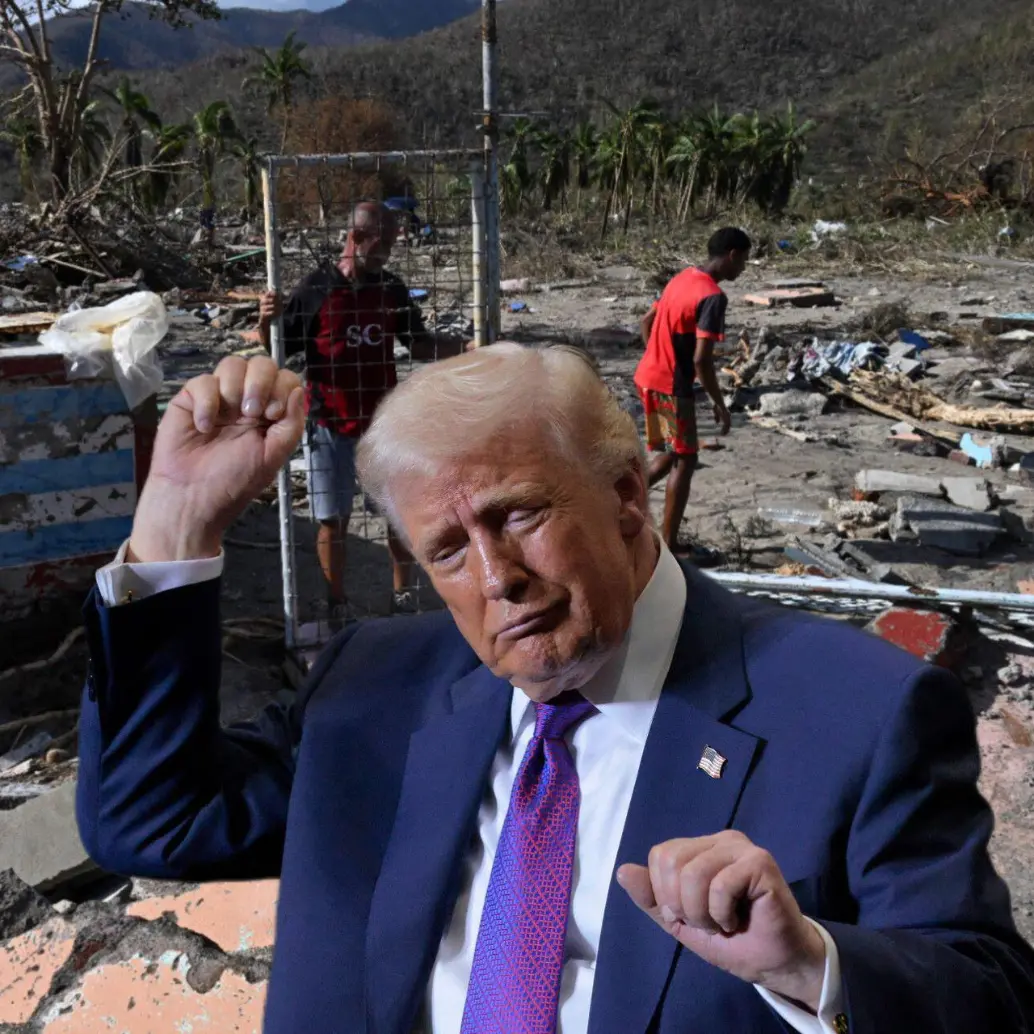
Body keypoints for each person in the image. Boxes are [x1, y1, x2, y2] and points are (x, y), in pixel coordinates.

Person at [78, 346, 1034, 1034]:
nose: (497, 579)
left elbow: (989, 996)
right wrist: (177, 520)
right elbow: (147, 823)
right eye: (448, 550)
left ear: (627, 494)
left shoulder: (859, 710)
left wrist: (810, 965)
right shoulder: (374, 686)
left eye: (517, 516)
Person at [257, 200, 469, 621]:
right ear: (356, 238)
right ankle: (336, 603)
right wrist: (266, 322)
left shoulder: (390, 289)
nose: (390, 250)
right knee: (333, 518)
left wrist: (469, 348)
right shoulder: (314, 291)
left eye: (392, 242)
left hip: (382, 424)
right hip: (328, 424)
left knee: (395, 514)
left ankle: (403, 596)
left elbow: (419, 342)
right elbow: (278, 351)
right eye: (383, 242)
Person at [635, 227, 750, 554]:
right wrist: (719, 402)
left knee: (673, 451)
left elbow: (646, 321)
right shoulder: (713, 297)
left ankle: (615, 501)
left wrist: (655, 356)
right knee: (686, 459)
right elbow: (702, 360)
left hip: (650, 377)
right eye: (743, 260)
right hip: (672, 385)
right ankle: (668, 546)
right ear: (731, 255)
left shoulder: (683, 277)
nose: (742, 268)